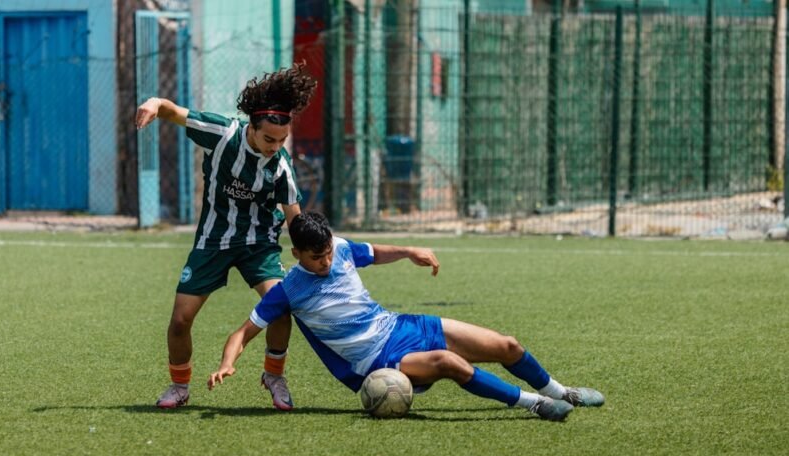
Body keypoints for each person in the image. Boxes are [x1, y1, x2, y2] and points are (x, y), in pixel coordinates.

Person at [208, 212, 605, 421]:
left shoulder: (342, 248)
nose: (327, 260)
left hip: (402, 326)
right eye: (317, 257)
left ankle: (559, 390)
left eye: (328, 251)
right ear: (297, 255)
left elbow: (374, 252)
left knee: (507, 345)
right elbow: (243, 332)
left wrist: (411, 250)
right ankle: (533, 404)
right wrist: (227, 364)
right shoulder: (287, 291)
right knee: (451, 363)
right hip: (376, 361)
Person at [135, 63, 317, 410]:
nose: (274, 147)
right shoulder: (221, 133)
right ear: (252, 127)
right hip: (213, 240)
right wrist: (155, 103)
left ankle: (274, 375)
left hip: (258, 245)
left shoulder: (281, 166)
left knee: (280, 309)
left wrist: (313, 253)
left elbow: (295, 218)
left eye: (282, 140)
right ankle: (179, 386)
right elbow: (174, 112)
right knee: (180, 320)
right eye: (268, 139)